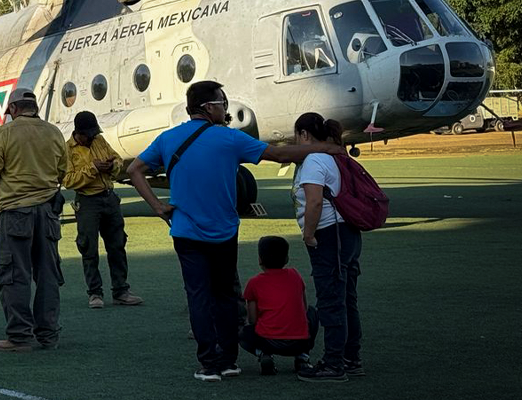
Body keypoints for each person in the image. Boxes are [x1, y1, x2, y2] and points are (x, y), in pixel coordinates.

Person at [127, 81, 345, 382]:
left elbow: (134, 170)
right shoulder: (229, 139)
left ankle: (209, 364)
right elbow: (281, 155)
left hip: (186, 231)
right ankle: (229, 360)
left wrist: (157, 205)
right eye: (221, 102)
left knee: (199, 297)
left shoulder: (168, 139)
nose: (225, 107)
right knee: (226, 297)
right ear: (208, 107)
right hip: (223, 233)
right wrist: (326, 148)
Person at [0, 88, 68, 352]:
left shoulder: (5, 133)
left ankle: (19, 337)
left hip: (16, 212)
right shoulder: (54, 132)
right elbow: (63, 171)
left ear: (14, 109)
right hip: (48, 212)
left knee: (14, 275)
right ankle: (48, 335)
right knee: (48, 276)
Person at [292, 113, 364, 382]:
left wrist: (308, 235)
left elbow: (314, 203)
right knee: (346, 299)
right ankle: (350, 358)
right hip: (348, 232)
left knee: (331, 300)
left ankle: (333, 364)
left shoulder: (313, 160)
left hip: (329, 235)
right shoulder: (335, 157)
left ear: (304, 135)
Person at [65, 111, 144, 309]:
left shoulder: (100, 140)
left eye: (93, 133)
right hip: (87, 201)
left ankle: (121, 291)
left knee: (117, 245)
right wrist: (93, 169)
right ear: (78, 133)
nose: (92, 137)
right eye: (88, 134)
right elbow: (68, 180)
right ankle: (95, 293)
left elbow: (117, 159)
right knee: (88, 248)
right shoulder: (67, 150)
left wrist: (112, 166)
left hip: (109, 197)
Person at [240, 236, 319, 376]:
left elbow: (252, 320)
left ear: (260, 259)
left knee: (241, 330)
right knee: (312, 312)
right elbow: (304, 308)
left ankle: (263, 353)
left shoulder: (254, 283)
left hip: (268, 341)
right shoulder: (295, 275)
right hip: (299, 341)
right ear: (286, 258)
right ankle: (302, 356)